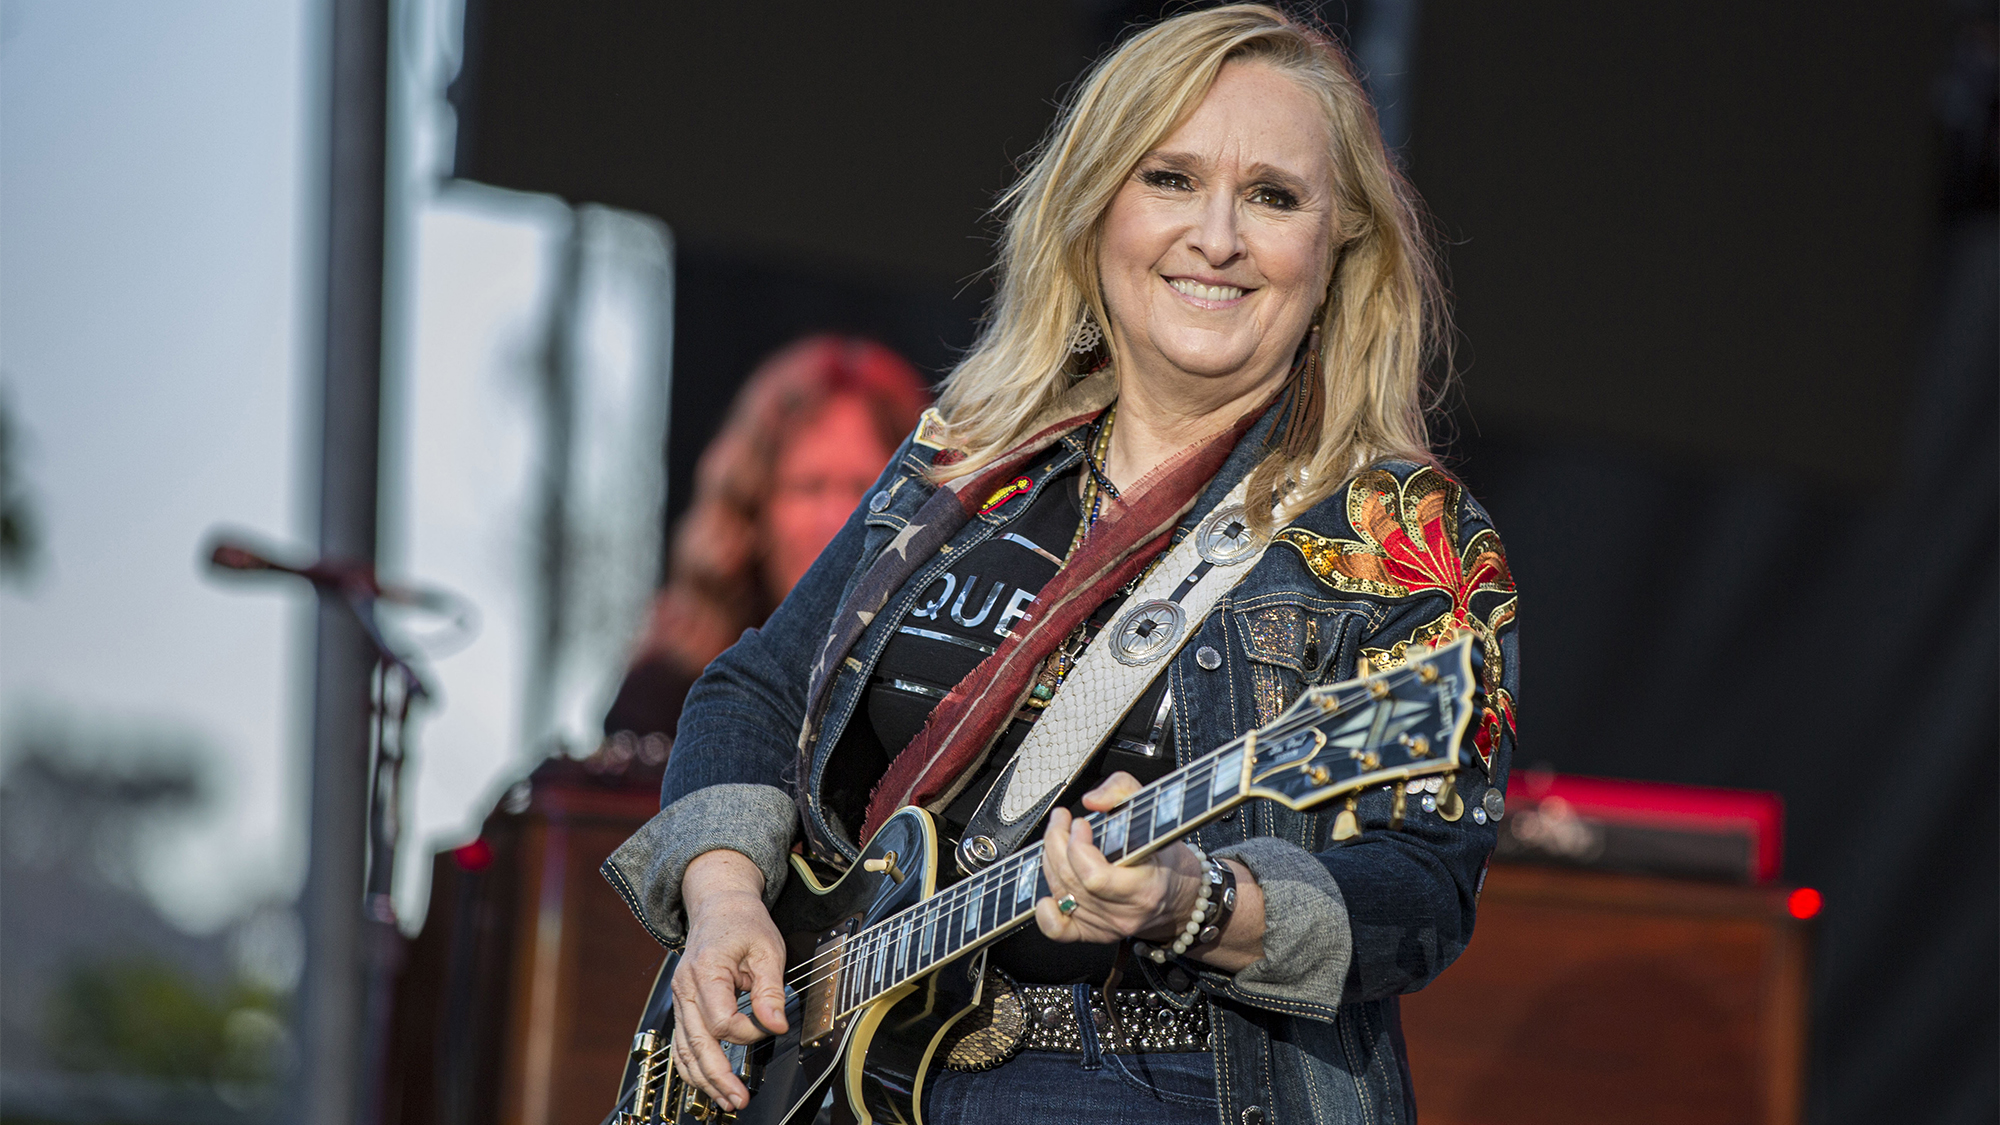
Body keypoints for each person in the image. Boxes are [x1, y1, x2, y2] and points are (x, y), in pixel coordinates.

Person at [606, 7, 1518, 1124]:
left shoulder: (1402, 530)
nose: (1217, 237)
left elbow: (1421, 893)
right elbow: (757, 687)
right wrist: (723, 898)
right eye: (1169, 178)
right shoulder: (968, 456)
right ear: (1093, 212)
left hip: (1166, 1086)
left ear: (1339, 249)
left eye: (1273, 197)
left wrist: (1194, 902)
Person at [601, 335, 931, 745]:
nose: (836, 521)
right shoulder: (669, 689)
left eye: (865, 490)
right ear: (752, 507)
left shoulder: (941, 688)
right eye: (810, 487)